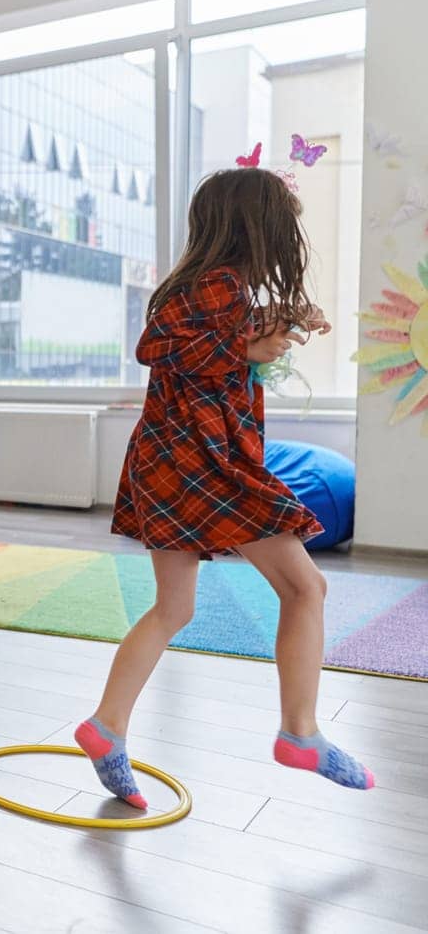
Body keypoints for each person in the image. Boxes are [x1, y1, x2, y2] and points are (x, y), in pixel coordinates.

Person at [82, 167, 373, 807]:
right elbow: (163, 347)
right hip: (202, 463)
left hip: (170, 462)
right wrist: (253, 342)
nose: (291, 235)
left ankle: (106, 727)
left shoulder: (207, 287)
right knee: (306, 586)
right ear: (257, 226)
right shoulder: (217, 287)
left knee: (174, 608)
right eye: (285, 223)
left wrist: (269, 326)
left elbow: (200, 338)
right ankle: (300, 733)